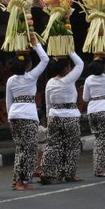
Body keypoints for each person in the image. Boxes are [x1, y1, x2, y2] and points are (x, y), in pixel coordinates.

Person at [5, 34, 50, 190]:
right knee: (29, 149)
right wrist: (36, 44)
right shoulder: (30, 77)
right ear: (28, 65)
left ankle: (18, 180)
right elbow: (45, 59)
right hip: (27, 116)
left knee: (21, 148)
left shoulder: (11, 80)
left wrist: (10, 120)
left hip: (15, 115)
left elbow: (8, 101)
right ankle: (21, 181)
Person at [41, 51, 85, 183]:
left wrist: (49, 119)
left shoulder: (50, 82)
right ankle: (69, 173)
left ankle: (47, 173)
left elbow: (48, 103)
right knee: (72, 146)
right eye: (69, 67)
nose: (71, 69)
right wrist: (70, 50)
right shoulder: (69, 79)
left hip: (54, 115)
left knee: (53, 145)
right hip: (69, 116)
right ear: (66, 69)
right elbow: (80, 63)